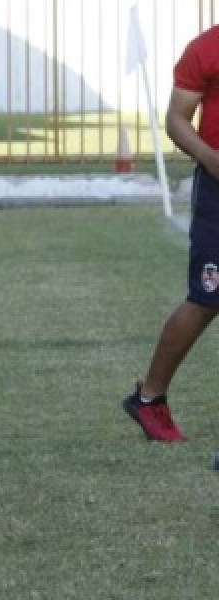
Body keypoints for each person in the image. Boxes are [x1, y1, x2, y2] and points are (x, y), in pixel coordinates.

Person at [123, 25, 219, 441]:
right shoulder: (207, 47)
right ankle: (149, 398)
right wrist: (209, 158)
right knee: (206, 299)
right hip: (218, 187)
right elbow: (176, 119)